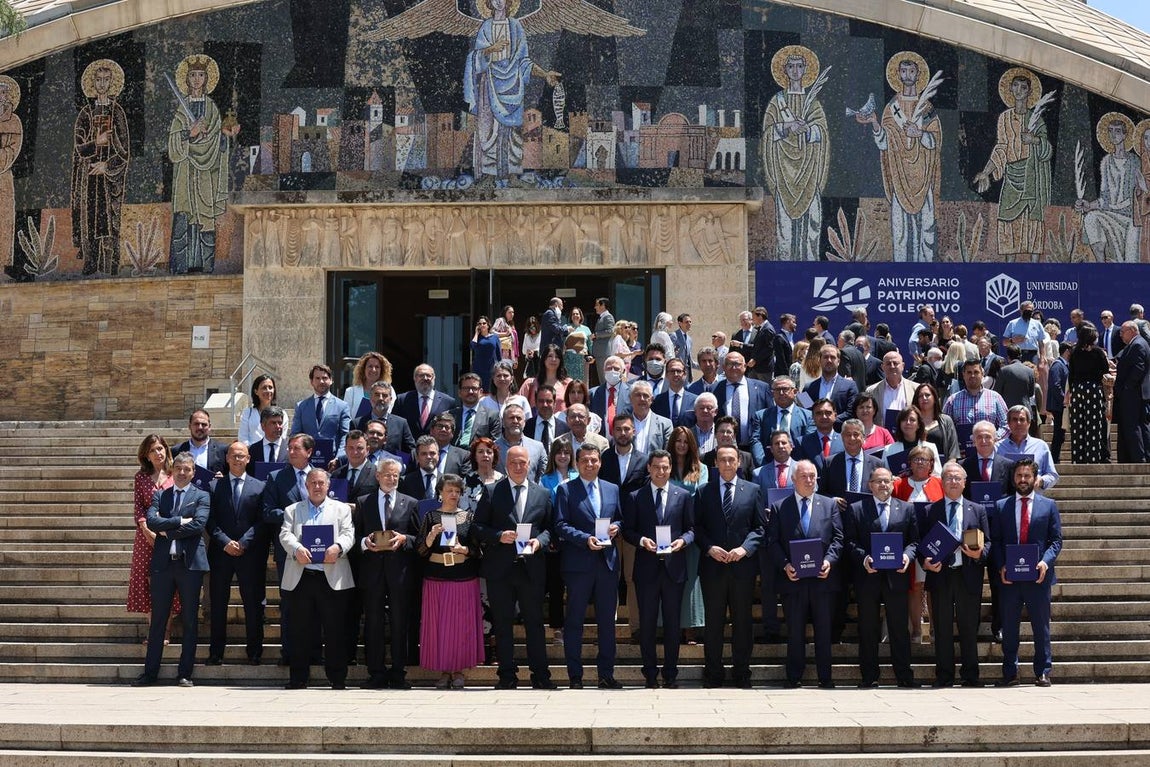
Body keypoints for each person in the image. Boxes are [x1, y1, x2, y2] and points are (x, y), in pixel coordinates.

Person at [471, 445, 555, 689]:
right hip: (501, 569)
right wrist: (499, 536)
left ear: (529, 464)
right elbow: (477, 527)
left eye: (522, 462)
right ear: (505, 465)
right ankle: (507, 676)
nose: (518, 467)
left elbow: (550, 528)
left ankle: (541, 676)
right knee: (502, 624)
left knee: (535, 624)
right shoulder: (491, 491)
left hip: (531, 568)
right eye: (513, 463)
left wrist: (539, 542)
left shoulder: (543, 494)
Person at [133, 452, 210, 687]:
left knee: (189, 620)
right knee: (158, 620)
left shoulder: (202, 495)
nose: (182, 473)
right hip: (163, 565)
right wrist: (179, 521)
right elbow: (152, 521)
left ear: (193, 472)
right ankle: (150, 673)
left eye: (187, 469)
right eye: (178, 468)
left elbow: (198, 525)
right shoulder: (161, 495)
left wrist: (166, 529)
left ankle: (185, 673)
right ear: (172, 470)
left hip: (190, 565)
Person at [857, 52, 942, 262]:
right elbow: (884, 143)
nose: (907, 75)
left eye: (911, 71)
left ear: (918, 74)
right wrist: (875, 123)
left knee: (926, 229)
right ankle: (900, 267)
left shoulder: (927, 107)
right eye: (903, 71)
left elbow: (936, 140)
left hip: (923, 177)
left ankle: (925, 268)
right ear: (898, 74)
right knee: (900, 231)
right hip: (899, 176)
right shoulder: (891, 108)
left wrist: (919, 133)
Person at [622, 449, 695, 688]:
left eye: (665, 467)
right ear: (649, 468)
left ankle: (671, 674)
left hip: (674, 569)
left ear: (670, 468)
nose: (661, 471)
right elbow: (628, 530)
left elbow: (691, 529)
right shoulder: (635, 497)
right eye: (656, 467)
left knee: (673, 625)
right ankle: (650, 674)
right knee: (647, 624)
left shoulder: (683, 495)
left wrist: (682, 541)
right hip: (647, 569)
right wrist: (642, 541)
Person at [767, 459, 842, 688]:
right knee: (795, 631)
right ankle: (794, 676)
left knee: (824, 631)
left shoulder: (829, 505)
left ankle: (825, 677)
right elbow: (772, 542)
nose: (809, 480)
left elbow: (838, 539)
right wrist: (785, 565)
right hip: (793, 580)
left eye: (812, 476)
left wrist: (829, 561)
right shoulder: (780, 507)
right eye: (804, 476)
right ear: (793, 479)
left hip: (822, 580)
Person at [279, 469, 356, 690]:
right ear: (306, 486)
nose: (317, 486)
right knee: (299, 630)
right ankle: (298, 678)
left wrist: (338, 547)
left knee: (335, 630)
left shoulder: (341, 509)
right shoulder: (293, 510)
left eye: (321, 483)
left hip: (331, 577)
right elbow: (285, 534)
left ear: (328, 486)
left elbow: (349, 533)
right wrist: (297, 549)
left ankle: (337, 678)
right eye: (313, 483)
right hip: (302, 577)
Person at [695, 445, 764, 688]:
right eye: (722, 460)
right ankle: (713, 673)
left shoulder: (753, 490)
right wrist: (709, 548)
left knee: (742, 622)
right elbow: (697, 527)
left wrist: (745, 549)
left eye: (731, 460)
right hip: (713, 567)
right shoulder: (704, 491)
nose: (726, 464)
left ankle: (741, 673)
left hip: (742, 568)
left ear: (739, 463)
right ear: (715, 463)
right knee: (714, 623)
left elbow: (760, 527)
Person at [555, 444, 623, 689]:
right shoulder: (565, 490)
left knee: (607, 623)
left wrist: (617, 527)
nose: (590, 464)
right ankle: (575, 676)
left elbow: (621, 518)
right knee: (574, 621)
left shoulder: (612, 489)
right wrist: (585, 539)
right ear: (577, 463)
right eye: (584, 460)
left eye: (594, 460)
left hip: (607, 564)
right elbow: (560, 524)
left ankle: (606, 675)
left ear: (600, 463)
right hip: (578, 565)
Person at [843, 467, 918, 688]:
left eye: (887, 481)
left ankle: (904, 676)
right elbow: (850, 541)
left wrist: (907, 556)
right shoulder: (857, 509)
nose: (883, 485)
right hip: (868, 577)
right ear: (870, 485)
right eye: (878, 481)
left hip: (897, 576)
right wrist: (864, 558)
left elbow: (914, 541)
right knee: (868, 628)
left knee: (899, 628)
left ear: (893, 484)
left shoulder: (907, 509)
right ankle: (869, 676)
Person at [990, 458, 1062, 687]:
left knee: (1041, 627)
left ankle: (1043, 671)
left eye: (1027, 475)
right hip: (1010, 578)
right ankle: (1010, 672)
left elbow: (1056, 541)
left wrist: (1045, 562)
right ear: (1013, 479)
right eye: (1019, 475)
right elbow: (996, 540)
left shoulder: (1048, 505)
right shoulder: (1001, 506)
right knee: (1009, 627)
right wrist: (1001, 565)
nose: (1023, 480)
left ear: (1035, 478)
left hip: (1038, 577)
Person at [973, 68, 1052, 263]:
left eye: (1023, 87)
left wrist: (1034, 140)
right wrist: (985, 172)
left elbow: (1047, 150)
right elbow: (1001, 148)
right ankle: (1009, 266)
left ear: (1029, 92)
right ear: (1009, 89)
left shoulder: (1036, 119)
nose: (1018, 90)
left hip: (1031, 177)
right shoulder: (1005, 118)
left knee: (1032, 223)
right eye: (1015, 86)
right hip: (1012, 176)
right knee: (1008, 218)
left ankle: (1035, 269)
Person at [922, 461, 989, 688]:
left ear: (964, 482)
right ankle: (944, 675)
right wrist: (925, 562)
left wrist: (980, 553)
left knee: (968, 626)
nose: (953, 481)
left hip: (967, 574)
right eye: (948, 477)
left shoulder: (977, 510)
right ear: (942, 482)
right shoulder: (930, 510)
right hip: (940, 575)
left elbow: (989, 542)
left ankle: (970, 675)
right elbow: (922, 544)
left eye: (957, 478)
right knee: (942, 627)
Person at [413, 474, 483, 689]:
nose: (453, 494)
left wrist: (464, 549)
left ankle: (459, 669)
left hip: (463, 577)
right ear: (440, 493)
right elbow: (420, 550)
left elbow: (478, 551)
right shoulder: (430, 517)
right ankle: (443, 670)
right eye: (449, 490)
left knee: (461, 627)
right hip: (436, 577)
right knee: (439, 626)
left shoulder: (469, 517)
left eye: (457, 491)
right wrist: (431, 536)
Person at [355, 458, 420, 690]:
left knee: (400, 622)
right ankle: (376, 672)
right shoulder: (364, 502)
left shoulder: (410, 502)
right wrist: (365, 542)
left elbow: (419, 538)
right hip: (372, 571)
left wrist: (405, 539)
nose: (391, 479)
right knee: (373, 622)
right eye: (387, 475)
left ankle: (399, 672)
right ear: (378, 476)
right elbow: (355, 535)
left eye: (395, 475)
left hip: (399, 572)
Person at [761, 45, 830, 262]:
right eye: (791, 66)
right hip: (784, 171)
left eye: (799, 66)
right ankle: (785, 265)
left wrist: (808, 129)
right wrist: (787, 127)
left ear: (805, 70)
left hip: (809, 171)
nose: (795, 70)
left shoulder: (814, 104)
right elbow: (768, 133)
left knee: (812, 222)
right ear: (785, 70)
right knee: (784, 225)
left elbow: (822, 133)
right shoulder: (777, 102)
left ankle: (810, 264)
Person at [167, 54, 232, 274]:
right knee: (184, 216)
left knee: (206, 217)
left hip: (207, 172)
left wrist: (224, 136)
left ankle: (206, 266)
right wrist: (189, 133)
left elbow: (218, 139)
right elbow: (173, 144)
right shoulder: (182, 109)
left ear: (206, 79)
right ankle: (181, 266)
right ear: (186, 79)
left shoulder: (211, 108)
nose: (196, 79)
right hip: (186, 170)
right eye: (193, 75)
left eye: (201, 75)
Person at [205, 441, 268, 666]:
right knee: (218, 604)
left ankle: (254, 652)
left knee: (252, 604)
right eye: (233, 455)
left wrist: (243, 542)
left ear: (248, 459)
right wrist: (225, 542)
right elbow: (209, 520)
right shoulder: (213, 487)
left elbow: (262, 521)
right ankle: (216, 652)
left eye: (241, 456)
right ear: (227, 458)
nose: (237, 459)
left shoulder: (260, 487)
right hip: (221, 553)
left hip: (249, 554)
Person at [261, 433, 316, 665]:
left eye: (296, 448)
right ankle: (289, 653)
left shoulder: (320, 477)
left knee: (316, 603)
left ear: (309, 452)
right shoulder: (276, 478)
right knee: (290, 603)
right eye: (290, 448)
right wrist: (293, 514)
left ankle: (314, 652)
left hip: (318, 551)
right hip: (288, 551)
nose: (291, 452)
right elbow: (267, 512)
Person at [71, 59, 129, 275]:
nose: (102, 84)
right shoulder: (86, 113)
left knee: (108, 220)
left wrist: (107, 165)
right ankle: (90, 261)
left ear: (112, 83)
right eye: (98, 80)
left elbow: (124, 151)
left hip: (108, 176)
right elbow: (79, 147)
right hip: (88, 175)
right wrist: (96, 142)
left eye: (106, 80)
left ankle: (110, 264)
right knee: (89, 217)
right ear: (92, 83)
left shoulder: (117, 112)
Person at [128, 435, 178, 644]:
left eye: (160, 448)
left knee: (168, 581)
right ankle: (154, 630)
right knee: (146, 581)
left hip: (170, 535)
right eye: (152, 450)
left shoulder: (176, 474)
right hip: (145, 537)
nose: (158, 453)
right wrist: (145, 529)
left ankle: (166, 630)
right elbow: (139, 506)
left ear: (166, 450)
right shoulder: (141, 477)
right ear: (146, 456)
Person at [892, 445, 944, 643]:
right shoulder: (899, 485)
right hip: (909, 544)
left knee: (932, 586)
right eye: (916, 459)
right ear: (910, 464)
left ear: (931, 464)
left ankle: (934, 628)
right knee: (914, 585)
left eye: (924, 459)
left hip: (934, 543)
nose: (920, 463)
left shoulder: (940, 483)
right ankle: (915, 629)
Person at [1076, 112, 1140, 262]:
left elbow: (1138, 194)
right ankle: (1101, 265)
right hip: (1110, 213)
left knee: (1130, 258)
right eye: (1110, 131)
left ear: (1124, 135)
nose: (1113, 134)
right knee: (1090, 218)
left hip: (1130, 217)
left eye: (1117, 131)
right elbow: (1104, 197)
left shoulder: (1135, 162)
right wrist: (1088, 205)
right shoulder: (1106, 162)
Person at [667, 427, 708, 646]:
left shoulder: (702, 469)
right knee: (669, 579)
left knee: (691, 580)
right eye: (678, 441)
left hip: (692, 531)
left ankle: (690, 628)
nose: (682, 445)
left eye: (685, 441)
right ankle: (669, 626)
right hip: (669, 530)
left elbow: (701, 498)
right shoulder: (665, 466)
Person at [1068, 323, 1113, 464]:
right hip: (1093, 390)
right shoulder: (1098, 352)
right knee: (1093, 426)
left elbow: (1071, 374)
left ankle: (1078, 460)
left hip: (1077, 390)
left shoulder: (1074, 352)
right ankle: (1092, 459)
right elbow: (1105, 372)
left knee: (1077, 426)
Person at [750, 375, 815, 465]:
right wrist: (763, 465)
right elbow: (756, 441)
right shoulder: (761, 416)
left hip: (798, 465)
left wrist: (800, 465)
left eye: (785, 389)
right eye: (777, 390)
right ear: (772, 393)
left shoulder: (808, 416)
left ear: (795, 392)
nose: (781, 393)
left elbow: (809, 443)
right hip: (768, 464)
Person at [293, 364, 352, 461]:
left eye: (324, 378)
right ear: (311, 381)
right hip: (307, 461)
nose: (321, 381)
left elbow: (345, 435)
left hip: (333, 461)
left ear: (331, 380)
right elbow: (295, 434)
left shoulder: (342, 406)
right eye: (317, 378)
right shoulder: (301, 406)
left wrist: (339, 458)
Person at [715, 351, 771, 449]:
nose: (733, 367)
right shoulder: (714, 389)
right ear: (723, 367)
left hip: (755, 447)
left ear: (745, 366)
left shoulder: (762, 388)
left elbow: (770, 415)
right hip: (724, 448)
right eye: (729, 364)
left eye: (737, 364)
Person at [996, 406, 1059, 489]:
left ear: (1029, 423)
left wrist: (1041, 481)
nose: (1018, 423)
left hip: (1033, 494)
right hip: (1006, 495)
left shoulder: (1041, 446)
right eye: (1014, 419)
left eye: (1022, 419)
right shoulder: (998, 447)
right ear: (1009, 424)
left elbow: (1053, 475)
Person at [943, 359, 1009, 437]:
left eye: (976, 372)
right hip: (961, 445)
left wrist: (994, 438)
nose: (973, 376)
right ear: (963, 375)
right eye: (969, 372)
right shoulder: (952, 400)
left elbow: (1006, 424)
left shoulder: (995, 397)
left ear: (982, 374)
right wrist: (954, 443)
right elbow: (944, 426)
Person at [1113, 321, 1150, 463]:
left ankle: (1138, 457)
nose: (1121, 335)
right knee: (1140, 425)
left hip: (1134, 394)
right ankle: (1142, 456)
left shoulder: (1138, 345)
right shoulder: (1136, 344)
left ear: (1132, 331)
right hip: (1136, 393)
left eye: (1123, 332)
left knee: (1133, 425)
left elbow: (1139, 368)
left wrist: (1127, 387)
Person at [803, 344, 858, 427]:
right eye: (825, 357)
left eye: (832, 357)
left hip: (840, 432)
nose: (829, 360)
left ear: (838, 361)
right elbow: (805, 411)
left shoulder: (851, 386)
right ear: (819, 360)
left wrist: (829, 420)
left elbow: (851, 412)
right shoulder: (807, 387)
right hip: (815, 432)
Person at [493, 403, 547, 480]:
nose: (515, 421)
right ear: (503, 422)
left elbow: (544, 478)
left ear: (524, 423)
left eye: (519, 418)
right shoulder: (492, 448)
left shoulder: (538, 447)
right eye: (511, 418)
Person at [448, 373, 501, 448]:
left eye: (474, 388)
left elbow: (494, 444)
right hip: (454, 454)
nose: (470, 392)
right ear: (459, 392)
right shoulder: (450, 415)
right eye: (466, 388)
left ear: (480, 392)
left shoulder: (492, 416)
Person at [173, 409, 228, 476]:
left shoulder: (222, 451)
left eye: (204, 424)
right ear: (189, 426)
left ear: (209, 427)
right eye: (196, 424)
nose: (200, 427)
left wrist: (223, 479)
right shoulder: (176, 451)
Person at [914, 383, 960, 462]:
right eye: (920, 396)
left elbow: (953, 451)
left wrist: (948, 467)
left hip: (942, 467)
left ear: (935, 398)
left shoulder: (946, 421)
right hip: (917, 467)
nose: (924, 398)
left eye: (927, 395)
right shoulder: (911, 421)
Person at [342, 352, 393, 417]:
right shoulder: (351, 392)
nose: (373, 370)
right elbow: (346, 416)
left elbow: (392, 413)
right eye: (370, 366)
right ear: (363, 369)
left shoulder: (390, 390)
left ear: (381, 370)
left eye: (377, 367)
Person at [628, 380, 673, 454]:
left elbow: (668, 453)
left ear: (651, 400)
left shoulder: (665, 424)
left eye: (645, 395)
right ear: (630, 399)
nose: (642, 399)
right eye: (638, 395)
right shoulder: (624, 423)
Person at [797, 398, 843, 470]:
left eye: (828, 413)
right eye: (819, 413)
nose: (824, 417)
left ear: (835, 416)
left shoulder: (845, 440)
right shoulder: (802, 442)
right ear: (813, 417)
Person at [653, 358, 697, 427]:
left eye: (679, 371)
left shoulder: (695, 400)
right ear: (666, 375)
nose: (675, 374)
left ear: (685, 374)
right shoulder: (657, 400)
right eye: (672, 371)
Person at [239, 374, 283, 444]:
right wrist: (254, 449)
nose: (268, 391)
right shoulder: (247, 413)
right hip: (252, 449)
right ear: (256, 391)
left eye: (270, 387)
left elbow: (282, 438)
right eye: (264, 388)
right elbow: (243, 438)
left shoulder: (282, 414)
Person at [463, 436, 503, 509]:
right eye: (480, 452)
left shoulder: (503, 480)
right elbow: (463, 507)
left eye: (489, 452)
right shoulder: (467, 480)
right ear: (475, 456)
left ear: (494, 456)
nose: (485, 455)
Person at [1046, 342, 1070, 463]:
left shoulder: (1064, 365)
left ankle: (1055, 457)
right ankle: (1054, 458)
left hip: (1061, 405)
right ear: (1067, 351)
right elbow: (1055, 385)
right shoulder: (1057, 365)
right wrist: (1063, 400)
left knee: (1060, 433)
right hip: (1058, 405)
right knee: (1058, 433)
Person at [470, 316, 502, 391]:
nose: (482, 325)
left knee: (491, 390)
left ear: (488, 325)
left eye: (484, 323)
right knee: (479, 389)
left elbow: (499, 354)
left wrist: (500, 367)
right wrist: (476, 333)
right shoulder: (477, 338)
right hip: (479, 368)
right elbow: (472, 346)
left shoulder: (495, 337)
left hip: (491, 367)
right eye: (480, 324)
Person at [590, 297, 615, 384]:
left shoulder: (608, 316)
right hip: (600, 353)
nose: (595, 307)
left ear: (603, 305)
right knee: (602, 379)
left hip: (604, 353)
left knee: (605, 379)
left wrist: (596, 335)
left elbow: (610, 331)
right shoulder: (601, 317)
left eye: (597, 305)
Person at [520, 314, 541, 381]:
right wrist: (528, 352)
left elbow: (543, 348)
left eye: (534, 327)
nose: (533, 329)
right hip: (530, 362)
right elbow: (523, 350)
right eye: (531, 328)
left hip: (539, 362)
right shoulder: (526, 335)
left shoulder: (541, 334)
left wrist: (535, 351)